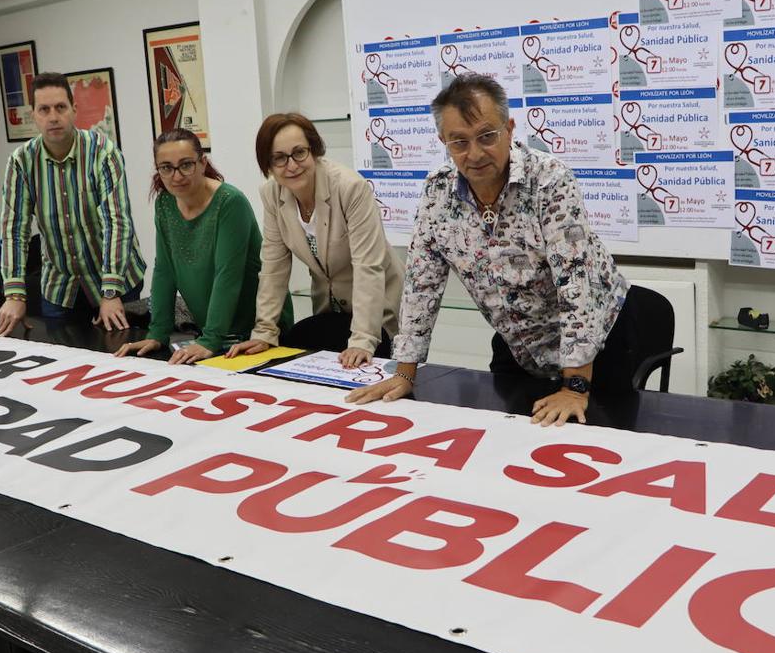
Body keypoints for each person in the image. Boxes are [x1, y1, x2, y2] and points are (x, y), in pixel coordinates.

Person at [348, 73, 633, 426]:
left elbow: (577, 286)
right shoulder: (438, 193)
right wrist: (405, 373)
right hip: (520, 348)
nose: (475, 153)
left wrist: (574, 387)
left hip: (600, 347)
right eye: (459, 143)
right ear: (444, 142)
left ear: (509, 129)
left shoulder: (549, 180)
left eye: (487, 136)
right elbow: (421, 286)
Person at [226, 113, 404, 368]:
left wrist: (363, 339)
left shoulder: (350, 188)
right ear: (268, 163)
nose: (291, 165)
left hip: (378, 309)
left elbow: (368, 266)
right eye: (279, 158)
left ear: (314, 151)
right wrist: (265, 332)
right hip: (330, 312)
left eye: (299, 152)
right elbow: (273, 268)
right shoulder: (272, 194)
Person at [114, 129, 292, 364]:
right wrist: (158, 332)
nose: (177, 176)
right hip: (215, 333)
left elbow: (227, 274)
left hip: (258, 332)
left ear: (202, 163)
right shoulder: (165, 203)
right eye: (166, 168)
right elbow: (165, 271)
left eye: (186, 165)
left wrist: (210, 339)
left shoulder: (230, 202)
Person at [0, 72, 145, 336]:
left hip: (118, 280)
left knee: (124, 356)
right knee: (66, 360)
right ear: (34, 115)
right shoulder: (21, 162)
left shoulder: (102, 152)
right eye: (44, 109)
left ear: (74, 110)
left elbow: (117, 222)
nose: (53, 117)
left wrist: (110, 291)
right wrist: (14, 294)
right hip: (60, 286)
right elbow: (14, 229)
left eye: (60, 107)